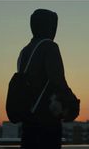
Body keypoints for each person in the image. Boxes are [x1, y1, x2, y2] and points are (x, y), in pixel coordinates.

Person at [17, 9, 69, 149]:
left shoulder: (24, 52)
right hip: (46, 125)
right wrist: (72, 105)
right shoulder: (50, 47)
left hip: (28, 126)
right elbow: (58, 81)